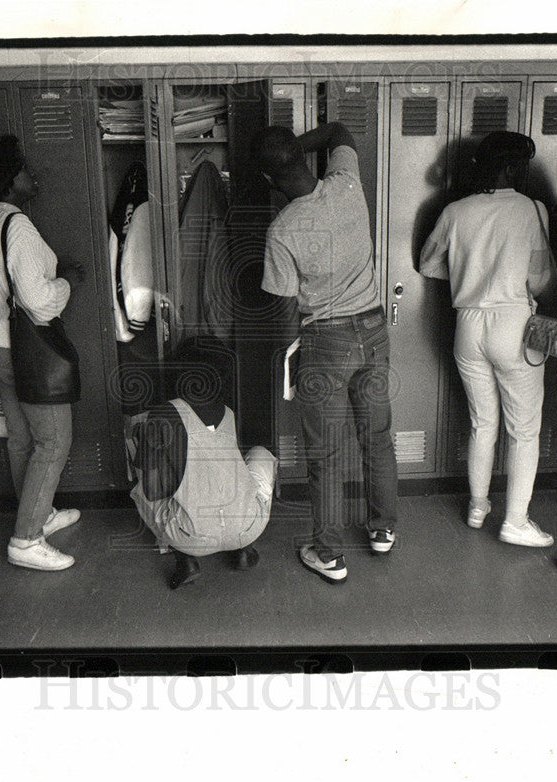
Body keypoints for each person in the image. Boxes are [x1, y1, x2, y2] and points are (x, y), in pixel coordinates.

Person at [255, 122, 397, 584]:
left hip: (326, 341)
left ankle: (329, 554)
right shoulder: (347, 182)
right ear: (302, 159)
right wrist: (297, 145)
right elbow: (339, 129)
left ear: (270, 180)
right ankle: (382, 530)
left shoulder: (281, 231)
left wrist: (291, 361)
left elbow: (283, 306)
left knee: (327, 454)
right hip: (374, 330)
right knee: (376, 436)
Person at [419, 131, 554, 548]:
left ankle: (478, 506)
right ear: (513, 168)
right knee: (524, 431)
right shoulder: (533, 210)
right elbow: (539, 278)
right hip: (513, 325)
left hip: (468, 326)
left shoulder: (456, 210)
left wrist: (468, 279)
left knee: (482, 423)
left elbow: (427, 264)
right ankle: (515, 520)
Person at [0, 135, 87, 572]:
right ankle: (26, 539)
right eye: (23, 169)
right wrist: (68, 281)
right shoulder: (15, 224)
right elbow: (38, 302)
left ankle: (39, 514)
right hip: (23, 349)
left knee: (22, 438)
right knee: (53, 441)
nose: (31, 175)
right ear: (8, 181)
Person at [128, 340, 277, 590]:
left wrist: (146, 446)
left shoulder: (163, 414)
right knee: (260, 455)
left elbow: (154, 491)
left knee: (142, 487)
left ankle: (185, 560)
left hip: (190, 537)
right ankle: (242, 550)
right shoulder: (228, 412)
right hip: (249, 526)